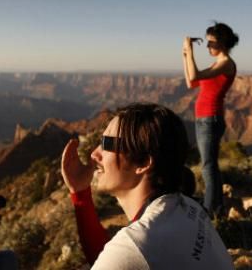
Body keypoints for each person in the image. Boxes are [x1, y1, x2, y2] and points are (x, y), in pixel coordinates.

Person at [61, 102, 234, 269]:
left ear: (143, 163)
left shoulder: (137, 244)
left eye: (107, 144)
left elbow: (125, 257)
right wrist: (80, 192)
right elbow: (117, 259)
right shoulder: (188, 207)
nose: (94, 154)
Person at [182, 22, 239, 216]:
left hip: (211, 119)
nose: (208, 47)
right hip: (204, 118)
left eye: (211, 43)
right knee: (209, 165)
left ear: (222, 43)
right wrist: (185, 55)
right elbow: (192, 81)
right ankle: (217, 206)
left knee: (208, 166)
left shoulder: (226, 64)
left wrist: (190, 51)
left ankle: (210, 210)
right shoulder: (217, 64)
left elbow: (196, 74)